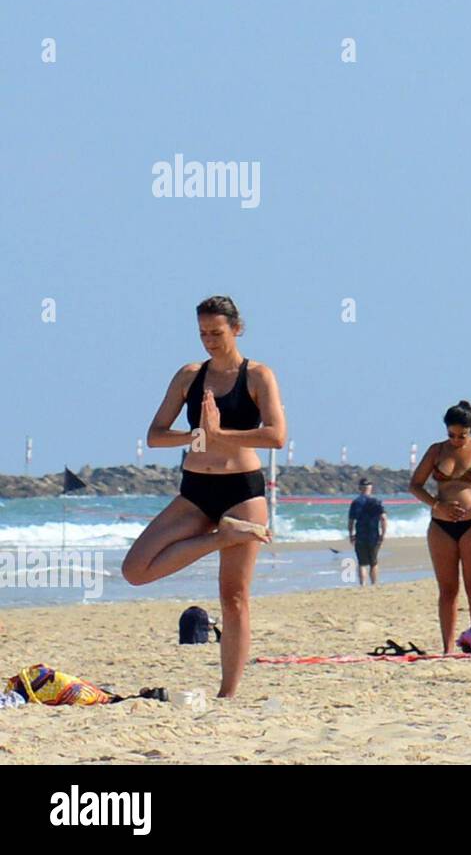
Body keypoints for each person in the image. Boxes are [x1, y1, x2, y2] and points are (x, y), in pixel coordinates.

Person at [121, 296, 286, 699]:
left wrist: (220, 435)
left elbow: (276, 435)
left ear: (236, 328)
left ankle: (227, 694)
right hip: (195, 491)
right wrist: (196, 435)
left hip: (241, 490)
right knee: (136, 570)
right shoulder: (189, 376)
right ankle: (221, 537)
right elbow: (156, 434)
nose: (209, 341)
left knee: (233, 597)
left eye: (217, 332)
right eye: (202, 333)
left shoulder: (257, 375)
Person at [409, 400, 471, 654]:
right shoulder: (436, 451)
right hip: (442, 525)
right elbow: (415, 485)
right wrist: (436, 505)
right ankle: (447, 647)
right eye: (451, 435)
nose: (456, 440)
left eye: (461, 435)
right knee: (447, 589)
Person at [348, 477, 387, 585]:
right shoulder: (376, 502)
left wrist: (351, 534)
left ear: (360, 488)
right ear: (371, 488)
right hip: (373, 535)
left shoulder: (355, 502)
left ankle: (363, 584)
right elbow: (383, 518)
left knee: (362, 563)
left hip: (360, 535)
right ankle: (374, 584)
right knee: (373, 562)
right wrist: (383, 534)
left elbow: (351, 521)